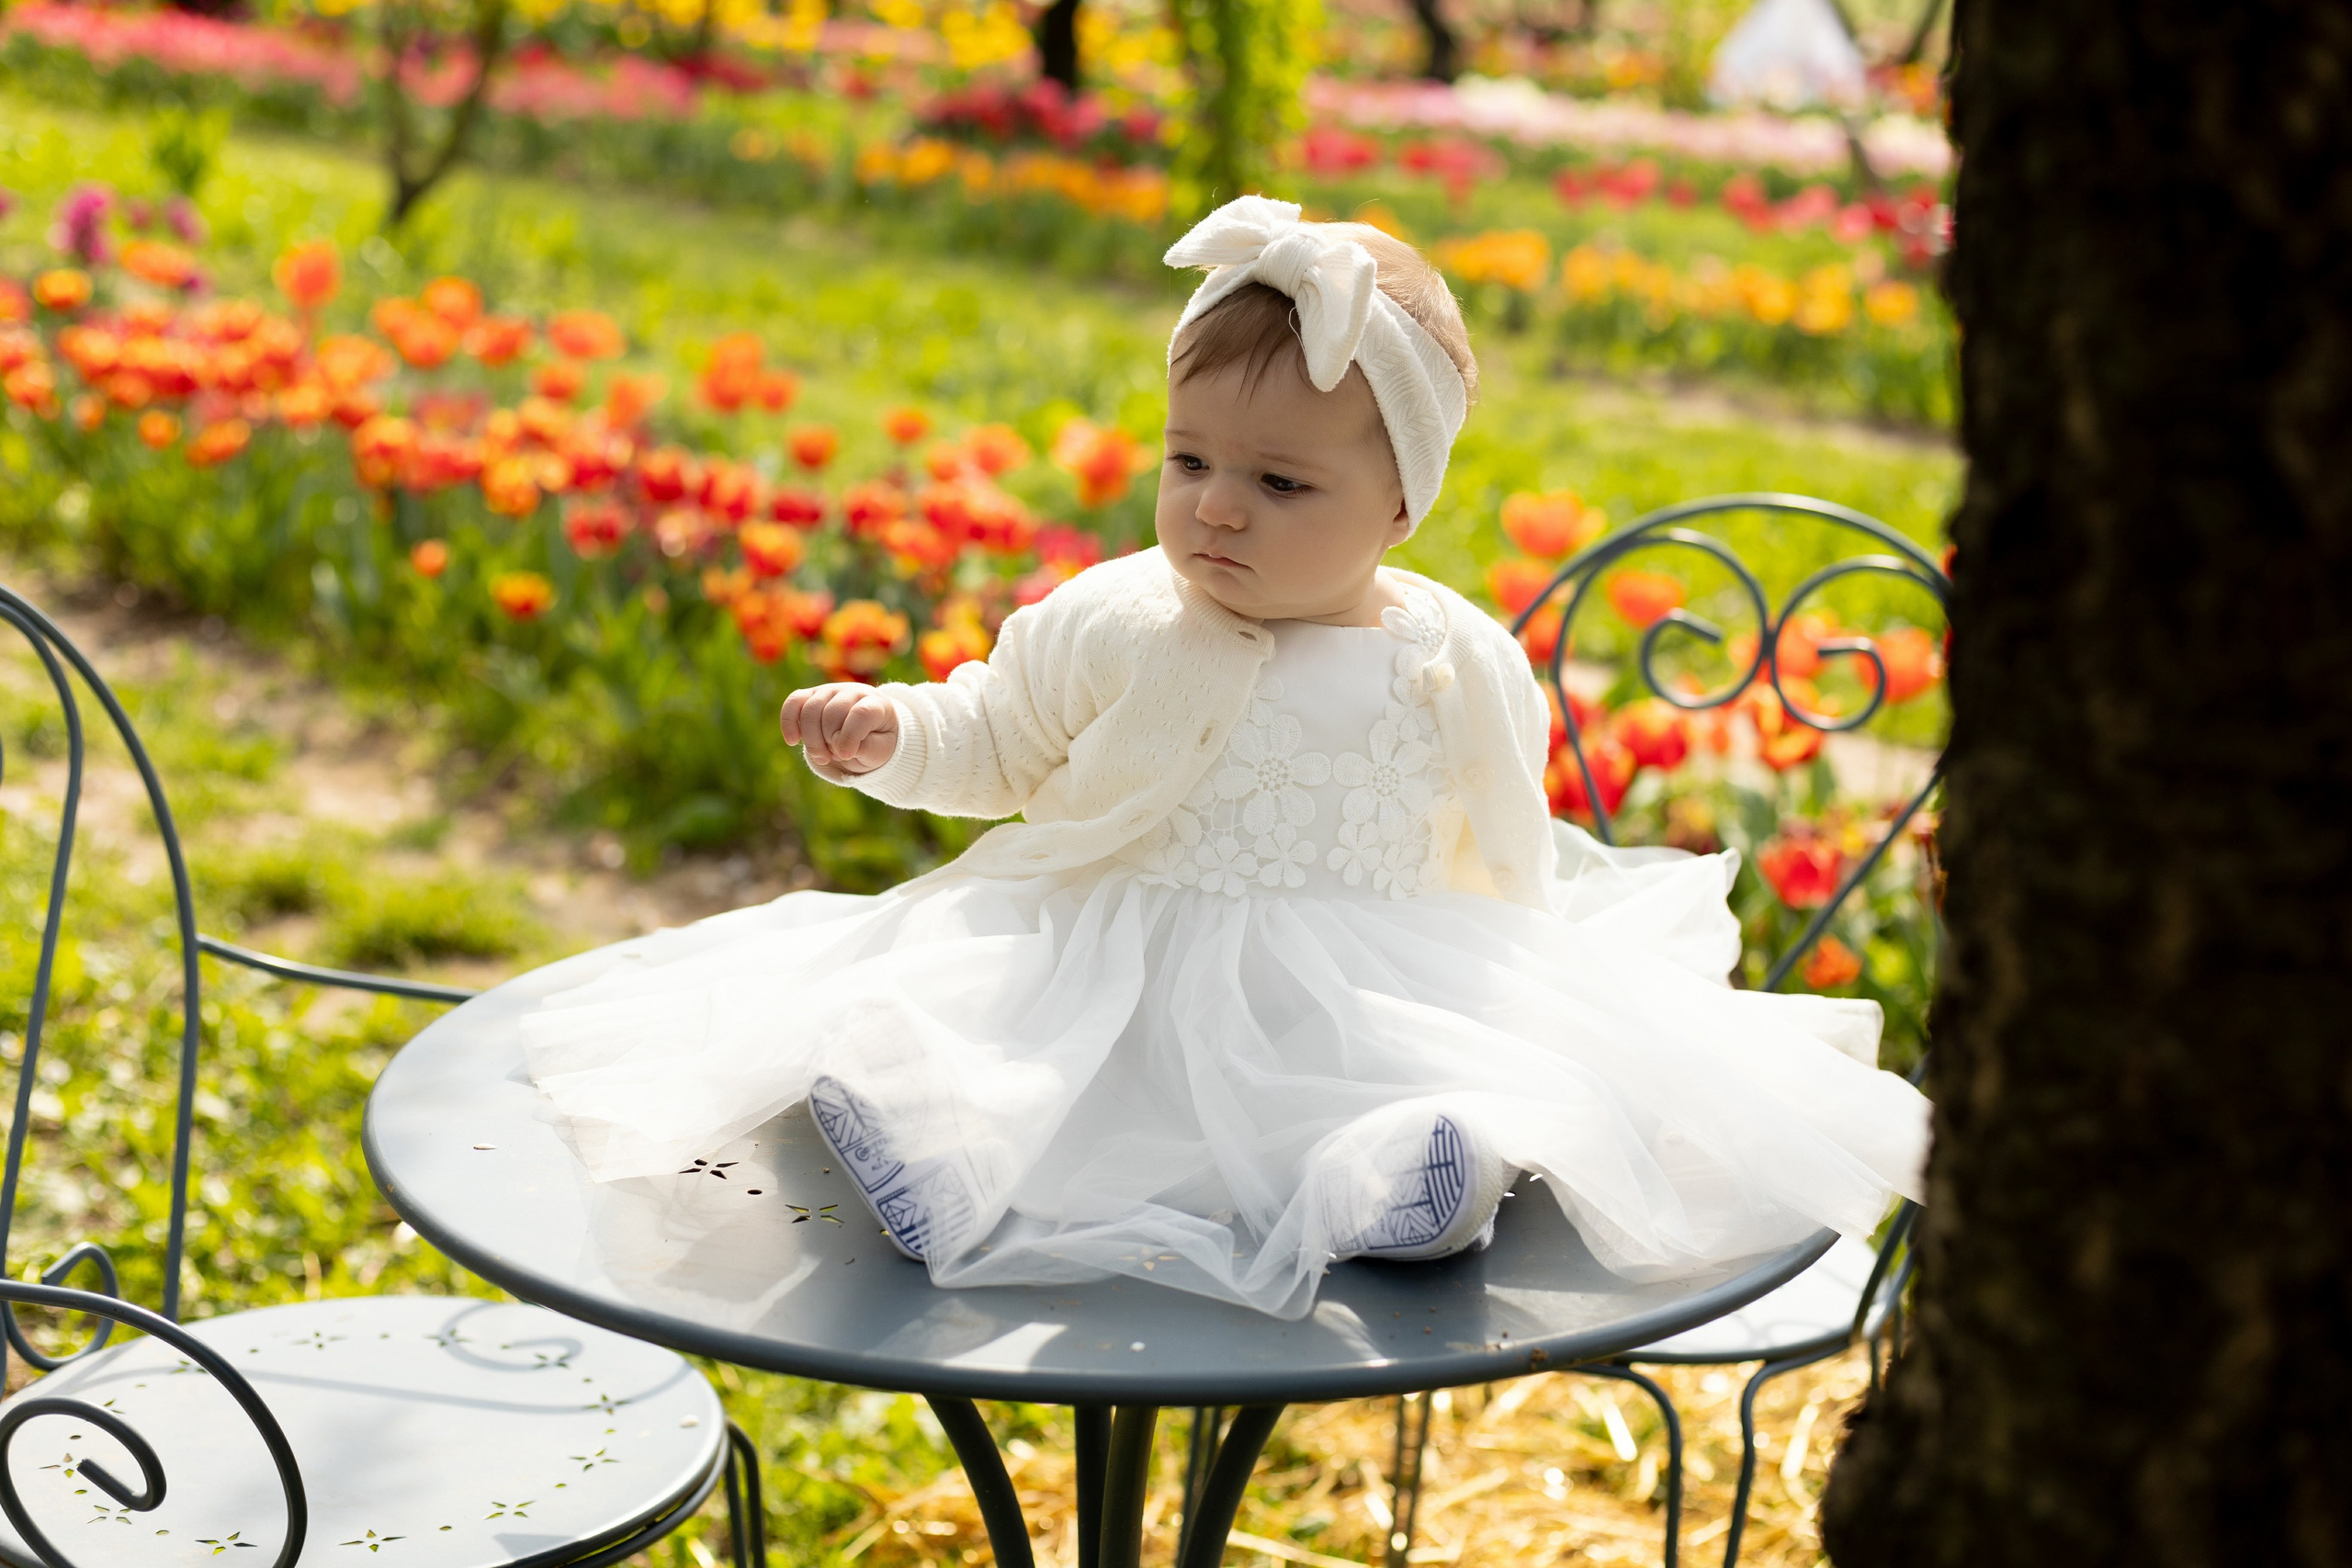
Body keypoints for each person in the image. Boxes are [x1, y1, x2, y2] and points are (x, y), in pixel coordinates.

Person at [522, 197, 1928, 1320]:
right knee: (1000, 1064)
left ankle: (1417, 1188)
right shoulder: (1123, 615)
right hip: (1105, 956)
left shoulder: (1449, 654)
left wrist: (1537, 960)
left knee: (1420, 1091)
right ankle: (923, 1141)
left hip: (1362, 981)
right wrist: (894, 734)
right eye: (1189, 462)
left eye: (1281, 481)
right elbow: (999, 737)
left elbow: (1505, 823)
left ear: (1400, 504)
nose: (1217, 511)